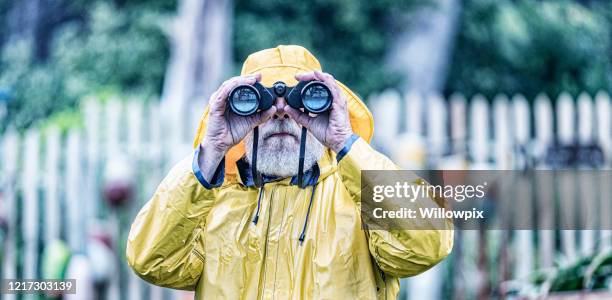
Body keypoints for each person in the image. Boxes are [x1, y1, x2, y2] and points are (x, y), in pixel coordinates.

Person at [126, 45, 453, 299]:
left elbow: (429, 242)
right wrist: (210, 151)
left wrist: (344, 143)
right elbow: (150, 259)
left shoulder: (358, 198)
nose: (282, 114)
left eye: (300, 102)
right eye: (263, 104)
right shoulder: (210, 203)